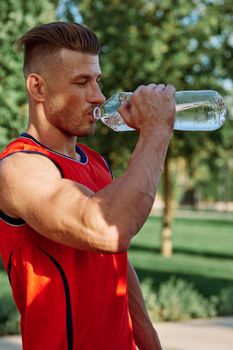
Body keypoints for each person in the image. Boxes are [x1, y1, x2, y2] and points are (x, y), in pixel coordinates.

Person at [0, 22, 175, 350]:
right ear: (38, 88)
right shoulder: (18, 169)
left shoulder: (94, 161)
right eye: (81, 83)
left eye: (97, 80)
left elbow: (115, 260)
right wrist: (156, 130)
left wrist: (148, 339)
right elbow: (108, 231)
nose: (98, 96)